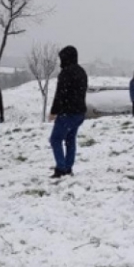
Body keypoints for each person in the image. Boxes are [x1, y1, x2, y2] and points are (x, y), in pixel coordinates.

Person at [48, 45, 88, 179]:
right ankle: (68, 167)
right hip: (80, 113)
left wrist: (54, 111)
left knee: (55, 139)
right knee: (70, 140)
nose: (61, 61)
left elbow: (60, 94)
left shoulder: (65, 73)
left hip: (67, 113)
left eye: (62, 58)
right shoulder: (82, 72)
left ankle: (61, 168)